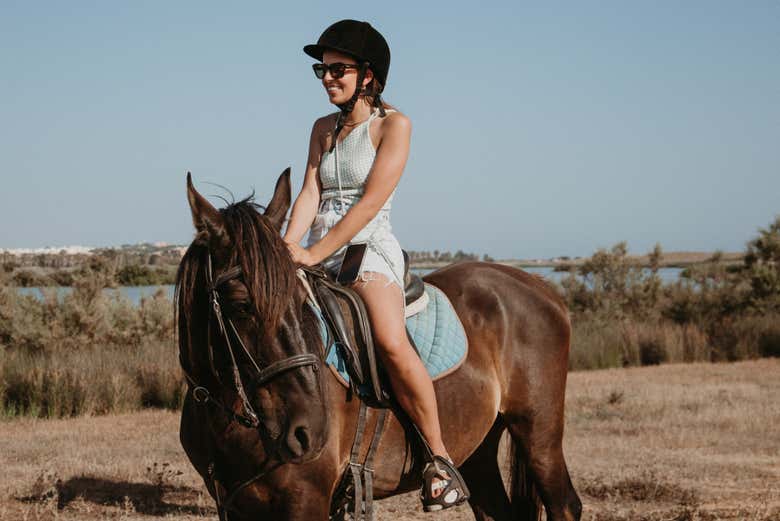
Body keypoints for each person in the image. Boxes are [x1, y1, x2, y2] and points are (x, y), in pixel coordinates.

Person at [282, 19, 469, 512]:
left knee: (388, 337)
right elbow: (309, 193)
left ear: (369, 75)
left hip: (368, 249)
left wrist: (313, 254)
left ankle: (439, 459)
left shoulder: (394, 126)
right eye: (321, 69)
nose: (327, 77)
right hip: (319, 247)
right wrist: (287, 247)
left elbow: (368, 204)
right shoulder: (322, 129)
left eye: (337, 69)